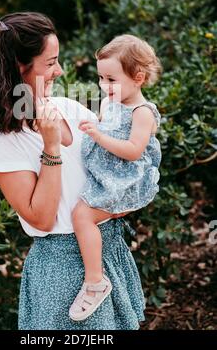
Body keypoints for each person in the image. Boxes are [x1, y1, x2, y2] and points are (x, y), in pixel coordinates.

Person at [0, 13, 145, 330]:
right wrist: (51, 147)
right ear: (17, 67)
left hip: (108, 250)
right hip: (63, 269)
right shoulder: (4, 139)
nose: (60, 71)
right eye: (51, 62)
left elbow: (112, 167)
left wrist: (123, 200)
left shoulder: (68, 107)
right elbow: (40, 217)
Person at [69, 34, 162, 321]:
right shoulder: (112, 102)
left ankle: (95, 282)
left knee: (81, 216)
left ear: (138, 77)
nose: (103, 86)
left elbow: (133, 151)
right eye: (100, 78)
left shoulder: (142, 112)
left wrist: (98, 134)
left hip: (125, 180)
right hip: (107, 174)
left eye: (111, 79)